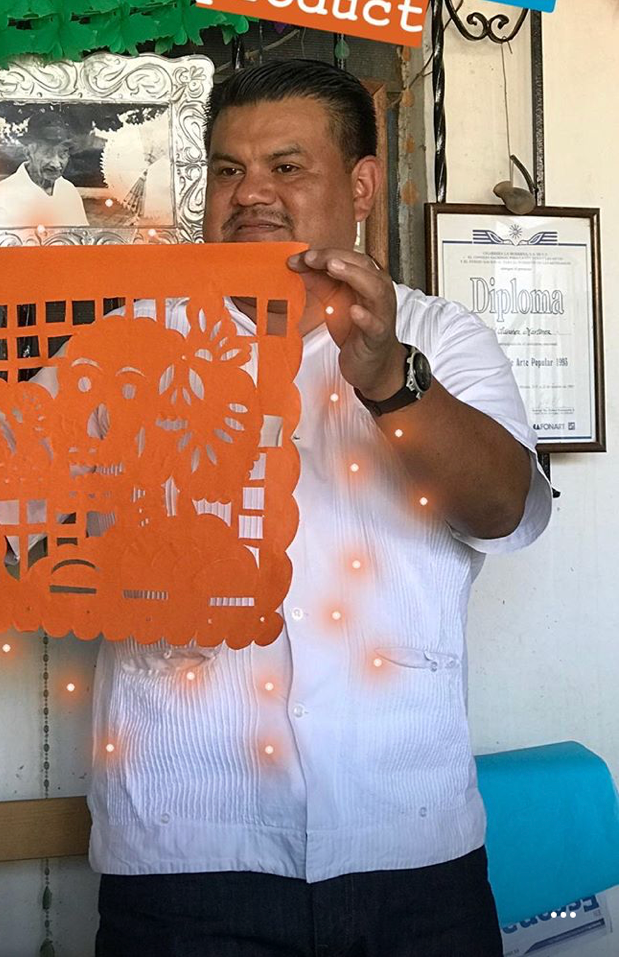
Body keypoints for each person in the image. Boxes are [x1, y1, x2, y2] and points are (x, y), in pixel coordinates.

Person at [86, 58, 553, 956]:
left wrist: (388, 379)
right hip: (183, 845)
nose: (250, 193)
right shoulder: (125, 343)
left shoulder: (442, 336)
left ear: (362, 186)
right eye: (229, 169)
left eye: (286, 167)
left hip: (409, 844)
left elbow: (502, 507)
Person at [0, 108, 88, 229]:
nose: (56, 164)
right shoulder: (4, 194)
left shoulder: (69, 190)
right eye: (47, 153)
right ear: (28, 152)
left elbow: (82, 236)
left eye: (62, 154)